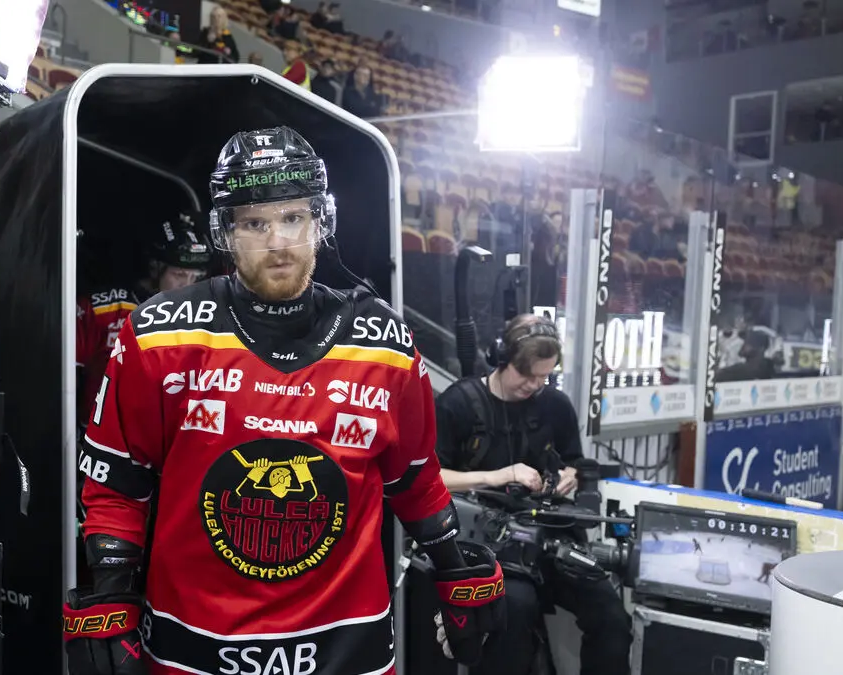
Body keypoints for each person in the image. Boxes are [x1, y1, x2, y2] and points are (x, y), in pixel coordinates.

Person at [64, 126, 506, 675]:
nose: (278, 241)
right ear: (225, 231)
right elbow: (115, 483)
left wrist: (452, 568)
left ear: (320, 222)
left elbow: (415, 479)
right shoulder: (158, 335)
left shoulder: (386, 344)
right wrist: (110, 589)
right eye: (255, 223)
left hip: (350, 654)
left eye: (293, 218)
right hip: (193, 652)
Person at [434, 315, 632, 675]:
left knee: (611, 616)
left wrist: (569, 477)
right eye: (527, 376)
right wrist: (501, 476)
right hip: (489, 547)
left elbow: (576, 463)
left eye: (544, 376)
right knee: (513, 612)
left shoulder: (553, 405)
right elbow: (432, 477)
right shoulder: (458, 403)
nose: (535, 385)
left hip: (548, 537)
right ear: (502, 359)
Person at [75, 211, 213, 429]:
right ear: (155, 268)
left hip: (171, 440)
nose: (188, 286)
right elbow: (60, 382)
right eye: (178, 274)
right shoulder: (102, 310)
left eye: (195, 277)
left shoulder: (206, 315)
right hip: (100, 438)